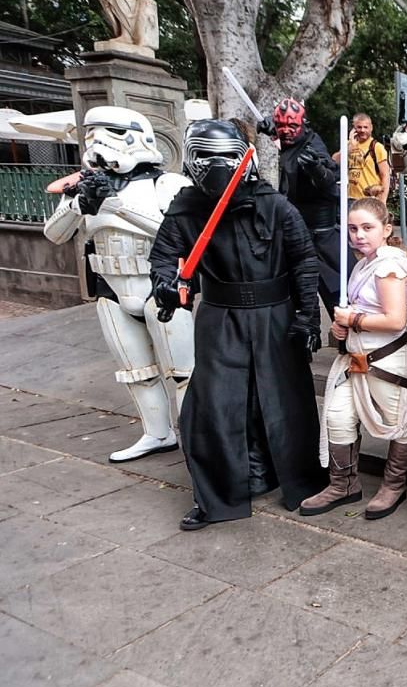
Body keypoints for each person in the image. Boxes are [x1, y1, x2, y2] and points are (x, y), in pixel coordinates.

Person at [150, 119, 323, 531]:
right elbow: (163, 257)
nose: (217, 168)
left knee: (283, 398)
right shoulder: (186, 208)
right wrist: (168, 286)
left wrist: (307, 315)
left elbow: (303, 258)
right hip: (220, 316)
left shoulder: (275, 204)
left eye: (225, 159)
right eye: (207, 160)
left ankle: (290, 477)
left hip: (275, 316)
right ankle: (221, 492)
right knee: (218, 403)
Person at [43, 105, 194, 462]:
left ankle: (196, 439)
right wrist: (79, 204)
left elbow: (183, 237)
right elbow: (54, 234)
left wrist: (116, 207)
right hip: (111, 289)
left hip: (160, 287)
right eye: (92, 133)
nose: (98, 143)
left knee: (183, 372)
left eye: (108, 132)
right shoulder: (85, 187)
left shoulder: (167, 183)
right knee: (136, 371)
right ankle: (157, 433)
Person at [300, 198, 407, 520]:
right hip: (356, 357)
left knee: (397, 423)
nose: (359, 235)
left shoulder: (388, 266)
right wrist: (341, 329)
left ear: (386, 229)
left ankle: (394, 485)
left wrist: (352, 320)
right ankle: (343, 485)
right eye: (353, 229)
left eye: (367, 228)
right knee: (338, 418)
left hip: (387, 359)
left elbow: (395, 320)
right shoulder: (367, 263)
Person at [258, 97, 348, 317]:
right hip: (294, 231)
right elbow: (284, 141)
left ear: (303, 125)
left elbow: (330, 183)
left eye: (293, 126)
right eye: (281, 126)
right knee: (293, 297)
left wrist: (317, 170)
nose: (287, 131)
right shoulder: (288, 140)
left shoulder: (312, 146)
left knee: (340, 299)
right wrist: (272, 131)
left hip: (321, 238)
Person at [334, 113, 391, 201]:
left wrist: (382, 200)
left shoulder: (376, 147)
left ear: (371, 128)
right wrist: (348, 149)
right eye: (359, 127)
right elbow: (333, 161)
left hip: (370, 199)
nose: (362, 130)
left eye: (365, 127)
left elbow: (385, 175)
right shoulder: (349, 144)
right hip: (351, 198)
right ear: (354, 128)